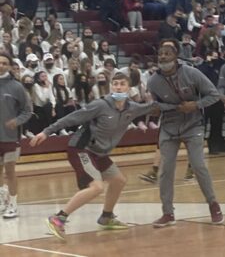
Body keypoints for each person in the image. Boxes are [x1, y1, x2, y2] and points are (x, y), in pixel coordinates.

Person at [30, 72, 177, 240]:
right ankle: (58, 219)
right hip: (81, 149)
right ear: (111, 87)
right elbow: (72, 118)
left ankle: (106, 217)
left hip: (100, 153)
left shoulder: (133, 108)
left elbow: (155, 106)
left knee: (119, 181)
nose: (118, 87)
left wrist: (182, 103)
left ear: (129, 88)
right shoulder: (100, 105)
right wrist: (46, 132)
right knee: (96, 187)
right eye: (115, 84)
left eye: (122, 84)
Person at [147, 43, 224, 228]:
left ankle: (214, 205)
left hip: (193, 125)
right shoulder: (153, 81)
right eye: (161, 53)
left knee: (198, 166)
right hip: (168, 127)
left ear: (176, 57)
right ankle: (167, 213)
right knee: (166, 171)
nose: (163, 56)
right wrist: (154, 111)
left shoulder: (192, 73)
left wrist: (195, 105)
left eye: (167, 53)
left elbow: (214, 95)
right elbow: (154, 105)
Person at [0, 52, 32, 218]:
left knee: (10, 171)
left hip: (11, 138)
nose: (1, 65)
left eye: (4, 63)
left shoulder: (16, 86)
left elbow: (28, 111)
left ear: (10, 66)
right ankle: (1, 200)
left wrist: (17, 121)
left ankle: (13, 204)